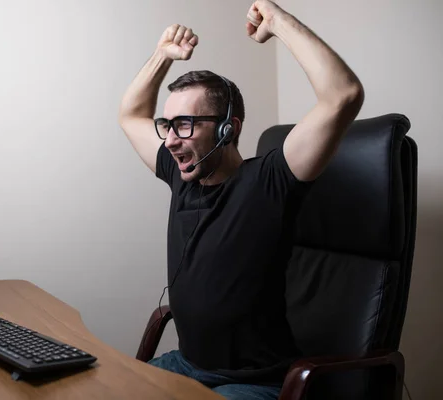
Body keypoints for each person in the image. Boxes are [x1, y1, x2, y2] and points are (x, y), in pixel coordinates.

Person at [118, 1, 364, 399]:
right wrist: (162, 55)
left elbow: (344, 95)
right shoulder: (181, 173)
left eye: (185, 124)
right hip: (187, 363)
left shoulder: (271, 179)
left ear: (226, 130)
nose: (171, 140)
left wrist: (278, 21)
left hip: (257, 381)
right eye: (167, 125)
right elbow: (131, 114)